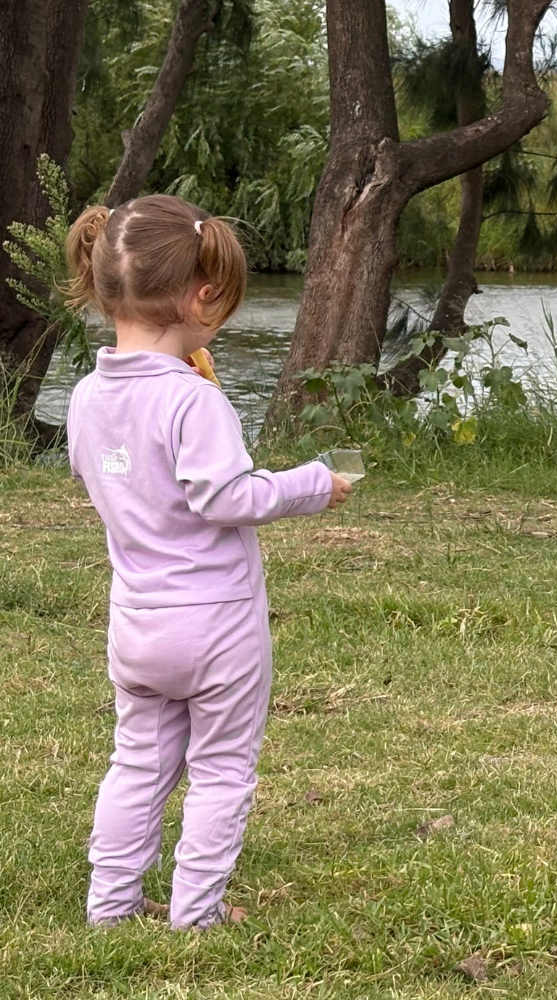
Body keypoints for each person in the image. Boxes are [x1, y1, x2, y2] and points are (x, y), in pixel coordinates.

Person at [64, 195, 353, 930]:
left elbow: (96, 474)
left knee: (137, 763)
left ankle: (111, 904)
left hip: (135, 625)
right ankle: (196, 912)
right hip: (217, 627)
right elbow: (230, 497)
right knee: (222, 768)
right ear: (202, 294)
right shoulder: (193, 401)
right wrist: (316, 482)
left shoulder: (89, 396)